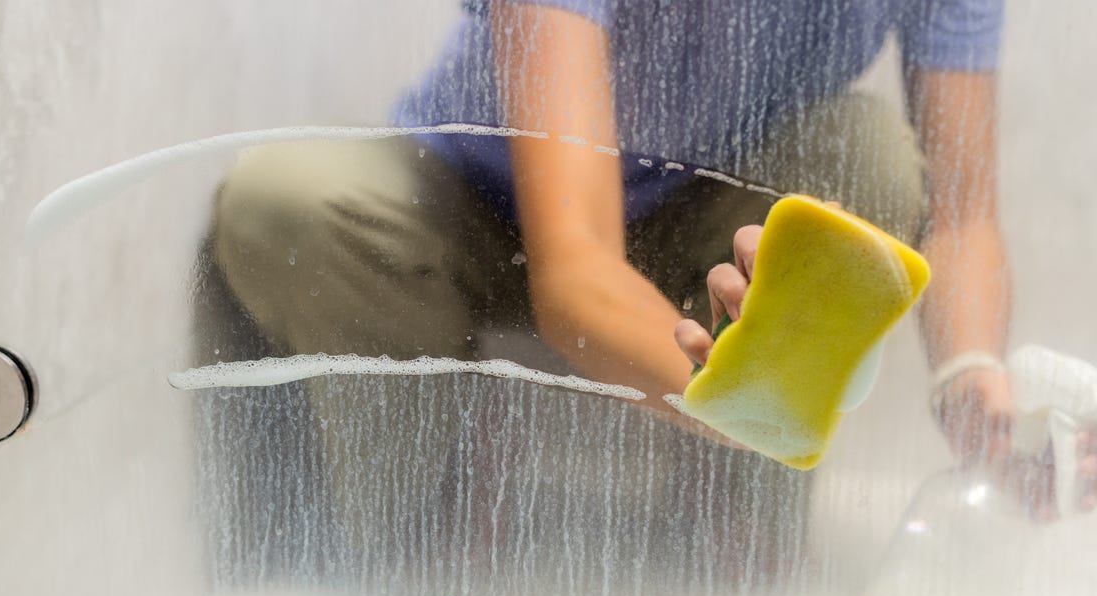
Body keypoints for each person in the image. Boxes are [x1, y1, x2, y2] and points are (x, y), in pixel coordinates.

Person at [208, 0, 1059, 559]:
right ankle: (428, 509)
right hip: (467, 202)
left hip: (684, 216)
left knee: (867, 160)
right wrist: (739, 403)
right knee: (283, 204)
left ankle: (724, 512)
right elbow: (576, 272)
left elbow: (962, 217)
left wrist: (972, 380)